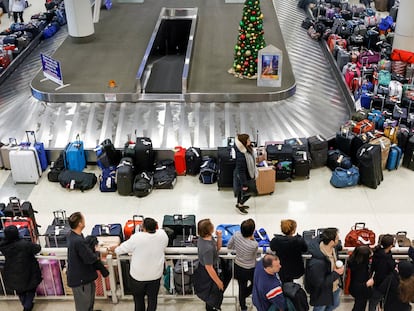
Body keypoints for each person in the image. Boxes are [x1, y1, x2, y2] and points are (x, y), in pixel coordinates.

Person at [113, 217, 168, 311]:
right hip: (155, 275)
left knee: (138, 300)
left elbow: (120, 250)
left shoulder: (137, 237)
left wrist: (114, 249)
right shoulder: (162, 235)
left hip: (138, 277)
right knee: (153, 299)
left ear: (144, 228)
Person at [0, 225, 42, 311]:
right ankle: (27, 306)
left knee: (20, 290)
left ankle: (26, 304)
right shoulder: (24, 244)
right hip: (28, 270)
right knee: (31, 288)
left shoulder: (3, 246)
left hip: (12, 271)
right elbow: (37, 248)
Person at [67, 212, 102, 311]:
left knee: (89, 300)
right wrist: (97, 253)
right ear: (80, 223)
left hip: (83, 275)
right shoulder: (78, 241)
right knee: (83, 304)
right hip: (80, 279)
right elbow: (89, 258)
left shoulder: (72, 235)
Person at [305, 227, 344, 311]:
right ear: (331, 242)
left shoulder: (333, 249)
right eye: (337, 238)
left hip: (334, 287)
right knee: (320, 309)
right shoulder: (317, 262)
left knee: (335, 304)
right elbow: (319, 283)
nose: (339, 240)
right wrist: (337, 273)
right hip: (322, 292)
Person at [193, 218, 227, 311]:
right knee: (212, 295)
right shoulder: (207, 248)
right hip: (208, 274)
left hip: (212, 268)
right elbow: (209, 268)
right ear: (208, 230)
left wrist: (219, 237)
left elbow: (217, 248)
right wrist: (218, 282)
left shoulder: (207, 238)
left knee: (213, 295)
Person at [227, 218, 258, 311]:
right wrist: (253, 239)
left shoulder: (236, 235)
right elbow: (255, 256)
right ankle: (244, 295)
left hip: (238, 267)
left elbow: (229, 246)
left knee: (241, 286)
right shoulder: (254, 244)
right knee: (255, 284)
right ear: (252, 231)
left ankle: (243, 306)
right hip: (250, 269)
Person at [368, 234, 396, 311]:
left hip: (377, 282)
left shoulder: (377, 254)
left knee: (373, 303)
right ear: (390, 245)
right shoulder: (386, 258)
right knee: (375, 302)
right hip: (382, 284)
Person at [233, 133, 258, 215]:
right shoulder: (241, 155)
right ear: (243, 142)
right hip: (243, 177)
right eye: (248, 140)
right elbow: (241, 171)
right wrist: (244, 184)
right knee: (251, 191)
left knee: (242, 192)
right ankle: (240, 205)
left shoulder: (245, 149)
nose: (250, 141)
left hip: (247, 174)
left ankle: (239, 204)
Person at [348, 245, 374, 311]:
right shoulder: (360, 269)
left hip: (357, 290)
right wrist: (367, 284)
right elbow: (357, 285)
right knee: (359, 307)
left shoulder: (354, 262)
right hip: (361, 291)